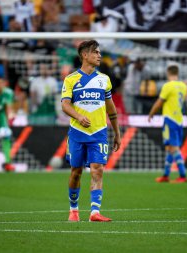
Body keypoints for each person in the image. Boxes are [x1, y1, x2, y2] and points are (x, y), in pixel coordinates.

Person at [61, 40, 121, 222]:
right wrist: (79, 117)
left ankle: (94, 212)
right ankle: (74, 210)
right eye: (95, 52)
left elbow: (111, 109)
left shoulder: (104, 80)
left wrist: (117, 133)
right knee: (76, 172)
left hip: (99, 133)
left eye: (99, 52)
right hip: (77, 134)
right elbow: (65, 105)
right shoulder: (71, 79)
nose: (99, 55)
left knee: (98, 169)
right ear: (85, 55)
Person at [148, 65, 187, 183]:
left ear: (168, 73)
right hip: (179, 120)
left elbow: (159, 102)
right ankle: (166, 175)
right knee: (170, 148)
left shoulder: (168, 86)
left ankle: (183, 175)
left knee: (174, 148)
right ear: (177, 73)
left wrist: (151, 113)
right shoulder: (183, 86)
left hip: (170, 120)